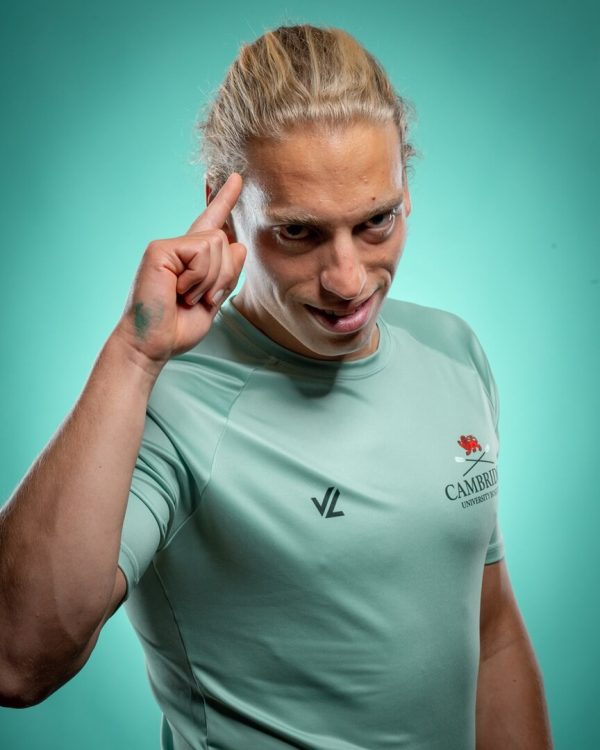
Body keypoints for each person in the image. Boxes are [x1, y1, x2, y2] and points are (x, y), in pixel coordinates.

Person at [0, 23, 552, 750]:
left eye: (376, 221)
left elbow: (492, 634)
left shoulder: (454, 350)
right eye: (298, 232)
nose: (348, 279)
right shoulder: (169, 401)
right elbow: (17, 660)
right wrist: (133, 354)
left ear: (406, 192)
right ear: (225, 210)